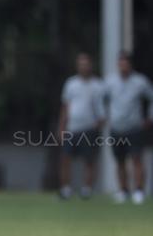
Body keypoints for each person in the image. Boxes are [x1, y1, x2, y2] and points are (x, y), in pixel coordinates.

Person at [105, 51, 153, 204]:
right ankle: (123, 190)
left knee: (136, 159)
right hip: (116, 128)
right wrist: (105, 117)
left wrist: (150, 118)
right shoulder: (110, 81)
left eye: (125, 63)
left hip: (135, 128)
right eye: (120, 63)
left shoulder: (140, 81)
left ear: (130, 64)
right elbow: (101, 100)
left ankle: (139, 190)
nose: (123, 66)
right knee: (120, 161)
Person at [58, 53, 106, 200]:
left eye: (86, 64)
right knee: (66, 158)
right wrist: (61, 127)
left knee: (89, 160)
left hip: (89, 129)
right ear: (77, 66)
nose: (83, 67)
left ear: (90, 65)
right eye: (81, 64)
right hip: (72, 128)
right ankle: (66, 189)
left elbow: (102, 110)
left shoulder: (98, 85)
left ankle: (87, 189)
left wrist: (98, 124)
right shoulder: (71, 83)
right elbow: (65, 107)